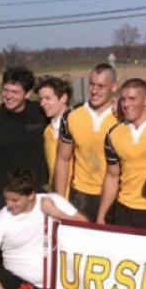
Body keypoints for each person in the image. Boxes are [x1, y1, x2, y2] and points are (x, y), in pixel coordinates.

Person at [97, 78, 146, 229]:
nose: (126, 104)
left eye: (132, 99)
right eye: (123, 99)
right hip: (124, 210)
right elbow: (112, 176)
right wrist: (101, 216)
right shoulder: (114, 133)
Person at [0, 66, 48, 213]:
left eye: (15, 92)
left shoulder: (41, 113)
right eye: (6, 90)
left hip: (34, 192)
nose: (8, 96)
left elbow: (64, 110)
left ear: (27, 93)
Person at [54, 63, 119, 220]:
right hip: (80, 196)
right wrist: (59, 202)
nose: (94, 91)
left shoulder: (123, 116)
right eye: (92, 84)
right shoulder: (72, 115)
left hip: (114, 196)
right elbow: (63, 159)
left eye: (101, 86)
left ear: (114, 87)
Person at [36, 76, 72, 195]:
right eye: (40, 99)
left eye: (47, 98)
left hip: (78, 197)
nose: (42, 103)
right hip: (57, 196)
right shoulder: (47, 131)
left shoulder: (77, 124)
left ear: (63, 98)